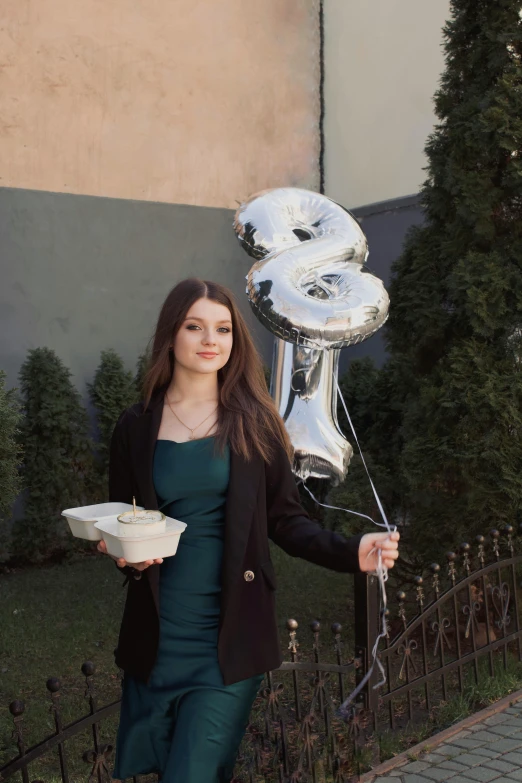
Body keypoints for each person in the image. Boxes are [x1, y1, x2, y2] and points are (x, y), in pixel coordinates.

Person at [98, 278, 400, 783]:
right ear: (171, 335)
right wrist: (122, 554)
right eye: (195, 327)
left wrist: (352, 552)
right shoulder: (135, 426)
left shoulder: (255, 423)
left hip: (228, 640)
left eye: (223, 329)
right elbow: (122, 519)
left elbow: (287, 520)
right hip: (159, 633)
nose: (210, 339)